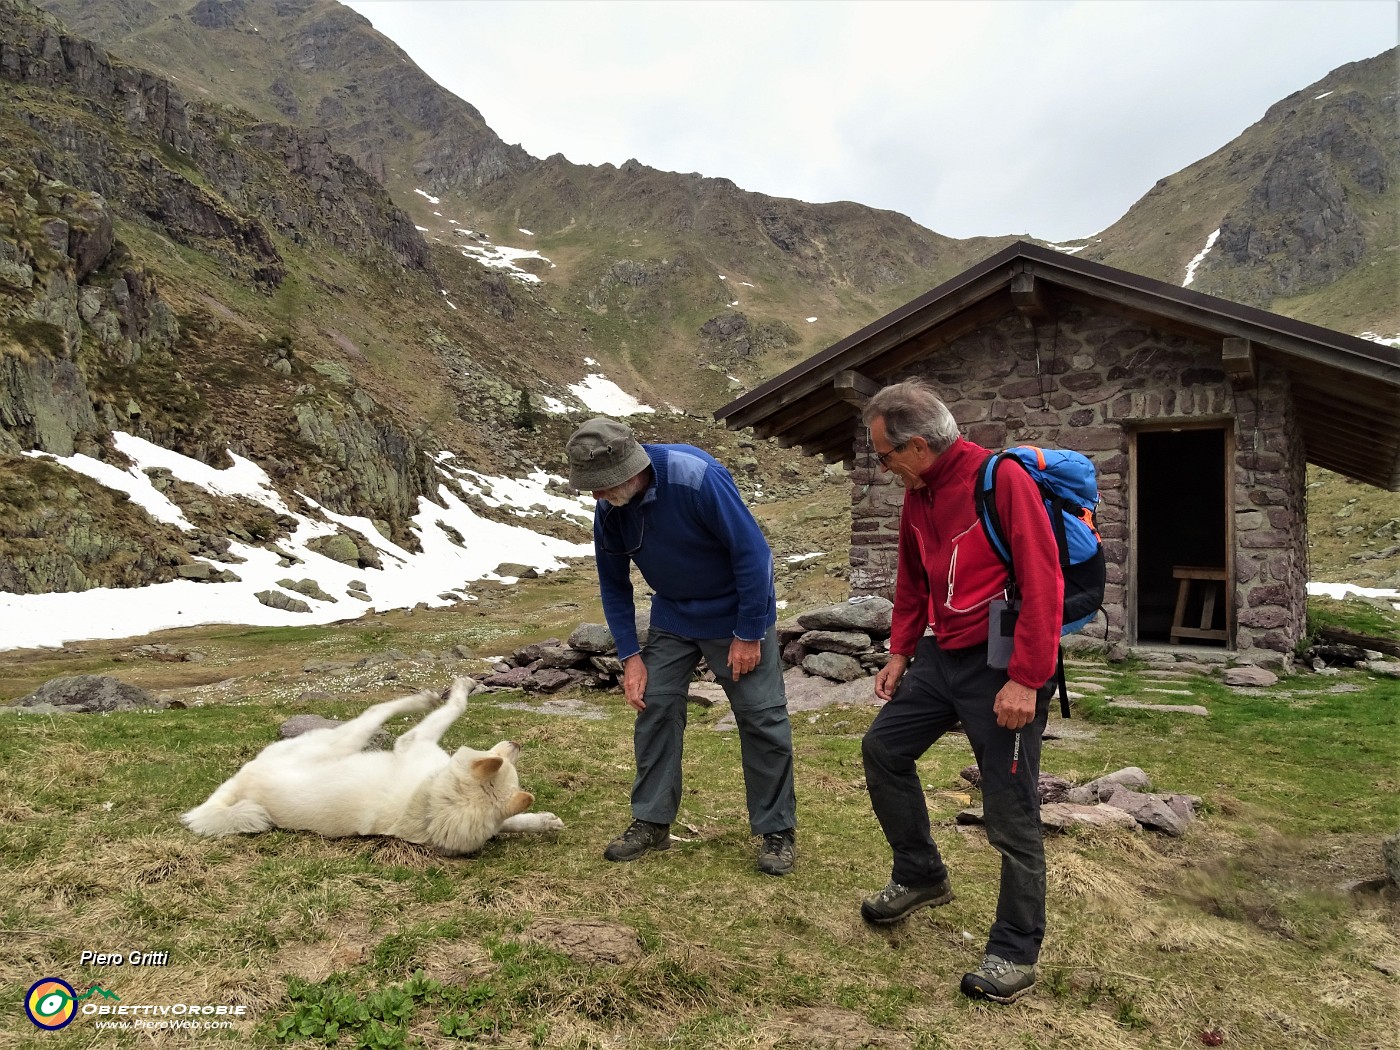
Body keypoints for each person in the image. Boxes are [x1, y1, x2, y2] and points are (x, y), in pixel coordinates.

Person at [858, 379, 1063, 1003]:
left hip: (1000, 668)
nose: (883, 466)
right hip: (940, 659)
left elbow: (1044, 582)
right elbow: (912, 578)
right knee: (884, 750)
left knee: (1010, 809)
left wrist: (1027, 678)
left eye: (886, 455)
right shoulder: (918, 494)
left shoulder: (1000, 481)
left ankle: (1014, 949)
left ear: (917, 445)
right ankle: (920, 874)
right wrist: (900, 650)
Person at [565, 417, 798, 876]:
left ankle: (777, 829)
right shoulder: (610, 506)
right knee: (655, 706)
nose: (595, 496)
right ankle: (652, 821)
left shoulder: (698, 477)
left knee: (760, 716)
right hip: (673, 615)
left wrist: (749, 633)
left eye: (602, 485)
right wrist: (631, 657)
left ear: (632, 469)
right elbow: (614, 586)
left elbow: (753, 555)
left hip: (735, 613)